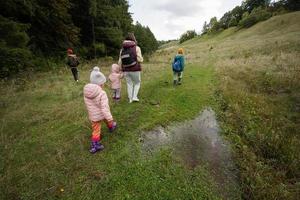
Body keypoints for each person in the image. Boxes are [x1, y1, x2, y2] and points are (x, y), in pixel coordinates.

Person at [83, 66, 117, 153]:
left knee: (96, 129)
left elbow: (89, 105)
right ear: (100, 84)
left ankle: (110, 127)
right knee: (106, 120)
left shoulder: (86, 93)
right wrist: (110, 118)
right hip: (102, 114)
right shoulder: (102, 93)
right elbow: (105, 108)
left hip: (93, 116)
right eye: (103, 84)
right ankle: (96, 145)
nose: (103, 85)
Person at [118, 33, 143, 103]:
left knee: (129, 84)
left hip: (126, 70)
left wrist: (121, 69)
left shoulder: (122, 49)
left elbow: (120, 61)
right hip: (135, 68)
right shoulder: (137, 48)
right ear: (133, 39)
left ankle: (130, 99)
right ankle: (135, 97)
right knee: (137, 83)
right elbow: (140, 59)